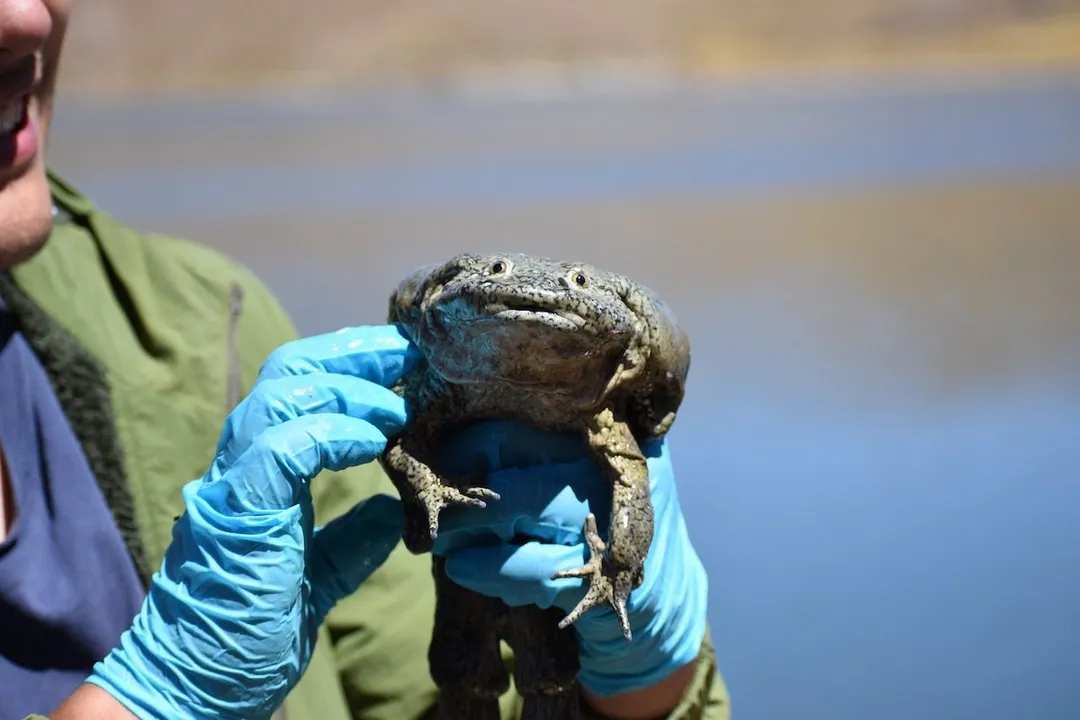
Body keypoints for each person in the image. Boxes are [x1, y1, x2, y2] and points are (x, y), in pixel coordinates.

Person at [0, 1, 731, 718]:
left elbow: (448, 692)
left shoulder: (207, 321)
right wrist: (144, 705)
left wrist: (644, 685)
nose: (24, 16)